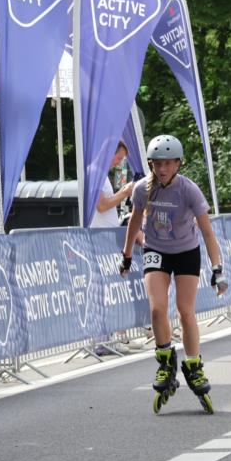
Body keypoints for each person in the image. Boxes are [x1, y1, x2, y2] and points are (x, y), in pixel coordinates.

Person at [120, 134, 227, 414]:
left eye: (168, 164)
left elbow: (206, 230)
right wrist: (127, 254)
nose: (162, 169)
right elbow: (134, 221)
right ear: (151, 165)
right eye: (157, 164)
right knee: (156, 309)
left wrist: (217, 268)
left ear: (178, 164)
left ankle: (193, 364)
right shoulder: (143, 189)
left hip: (186, 251)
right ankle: (166, 359)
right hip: (156, 249)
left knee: (185, 311)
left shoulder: (189, 190)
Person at [92, 141, 136, 356]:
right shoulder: (95, 172)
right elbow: (102, 205)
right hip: (98, 240)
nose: (118, 163)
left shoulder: (100, 174)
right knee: (102, 290)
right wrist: (125, 192)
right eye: (118, 158)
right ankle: (101, 341)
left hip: (105, 239)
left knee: (108, 290)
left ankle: (108, 338)